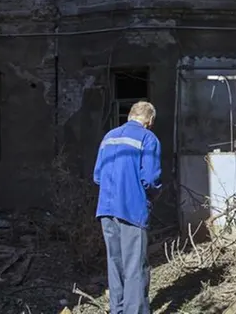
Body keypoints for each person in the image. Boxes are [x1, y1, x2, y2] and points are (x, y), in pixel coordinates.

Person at [93, 101, 162, 314]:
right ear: (150, 121)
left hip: (106, 209)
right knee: (134, 266)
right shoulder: (148, 138)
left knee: (115, 264)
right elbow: (150, 179)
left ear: (130, 115)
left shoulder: (109, 137)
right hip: (132, 209)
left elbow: (97, 176)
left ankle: (118, 310)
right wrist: (152, 196)